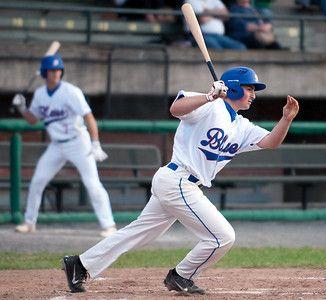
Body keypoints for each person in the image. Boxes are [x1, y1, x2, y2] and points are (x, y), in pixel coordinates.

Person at [61, 66, 299, 294]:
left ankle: (79, 265)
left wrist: (286, 119)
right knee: (222, 237)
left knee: (140, 233)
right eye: (249, 89)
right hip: (178, 180)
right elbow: (176, 108)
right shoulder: (210, 105)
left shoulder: (241, 125)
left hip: (178, 183)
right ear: (234, 88)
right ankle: (181, 275)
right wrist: (209, 96)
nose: (253, 95)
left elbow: (271, 142)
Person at [12, 54, 117, 238]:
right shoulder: (40, 94)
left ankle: (109, 225)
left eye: (59, 69)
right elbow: (33, 119)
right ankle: (29, 222)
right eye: (52, 70)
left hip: (78, 142)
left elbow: (89, 117)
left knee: (92, 184)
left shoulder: (71, 92)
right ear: (45, 73)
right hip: (56, 145)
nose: (56, 73)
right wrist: (22, 108)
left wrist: (95, 142)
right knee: (37, 180)